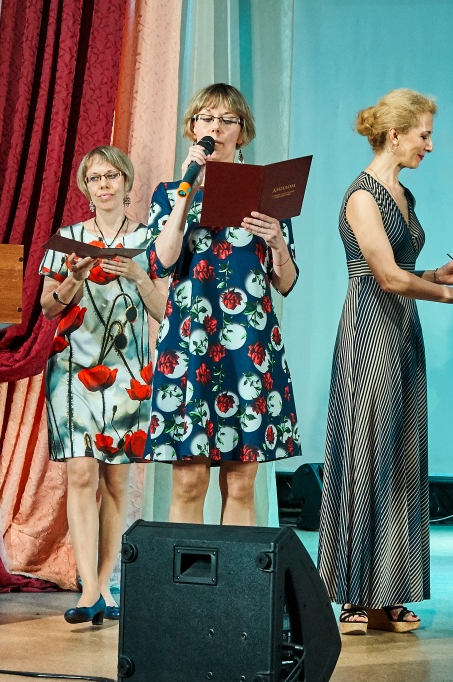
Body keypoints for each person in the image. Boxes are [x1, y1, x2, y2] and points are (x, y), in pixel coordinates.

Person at [316, 89, 453, 636]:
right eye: (423, 135)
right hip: (369, 330)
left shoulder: (403, 194)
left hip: (401, 331)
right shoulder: (362, 195)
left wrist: (439, 277)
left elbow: (406, 270)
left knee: (400, 456)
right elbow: (387, 277)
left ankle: (389, 591)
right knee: (367, 454)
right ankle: (353, 594)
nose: (430, 146)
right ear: (394, 135)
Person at [140, 83, 301, 525]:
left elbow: (286, 281)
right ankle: (186, 573)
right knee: (189, 481)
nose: (216, 127)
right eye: (207, 119)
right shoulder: (170, 193)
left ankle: (236, 574)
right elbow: (161, 262)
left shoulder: (268, 194)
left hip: (248, 342)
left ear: (242, 132)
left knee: (242, 482)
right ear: (193, 128)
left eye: (228, 120)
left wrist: (277, 242)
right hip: (190, 341)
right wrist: (186, 195)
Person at [39, 145, 167, 624]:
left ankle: (106, 585)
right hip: (72, 367)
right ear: (85, 188)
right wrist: (72, 279)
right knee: (80, 473)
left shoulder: (151, 238)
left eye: (112, 176)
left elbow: (165, 312)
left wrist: (137, 274)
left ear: (127, 182)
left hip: (129, 374)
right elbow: (48, 308)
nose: (105, 184)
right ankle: (87, 588)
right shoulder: (66, 239)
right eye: (95, 178)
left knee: (116, 479)